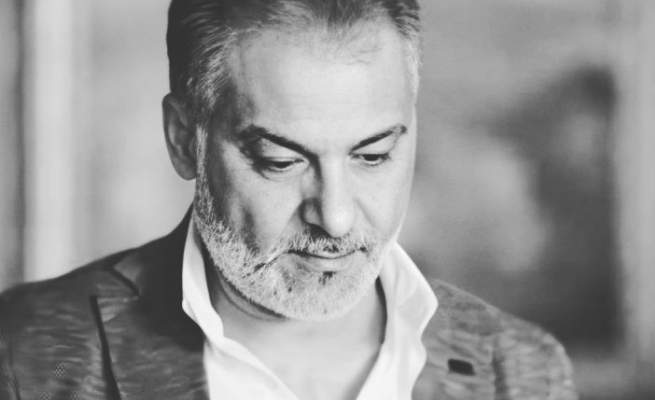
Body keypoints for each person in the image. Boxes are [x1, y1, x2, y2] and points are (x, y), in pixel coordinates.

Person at [0, 0, 577, 399]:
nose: (336, 216)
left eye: (373, 155)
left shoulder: (522, 371)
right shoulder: (22, 357)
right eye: (281, 161)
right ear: (183, 140)